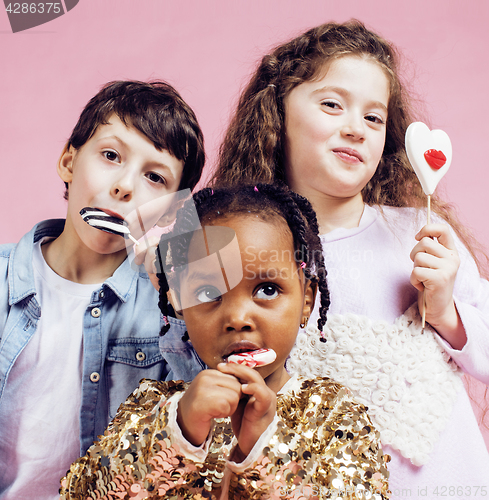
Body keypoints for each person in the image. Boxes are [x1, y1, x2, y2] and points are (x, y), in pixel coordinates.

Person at [206, 21, 489, 494]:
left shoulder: (420, 234)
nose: (355, 129)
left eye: (374, 118)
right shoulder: (226, 245)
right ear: (277, 112)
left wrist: (446, 313)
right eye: (332, 104)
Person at [60, 183, 390, 499]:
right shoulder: (154, 405)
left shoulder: (332, 413)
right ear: (181, 307)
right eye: (207, 293)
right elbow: (83, 492)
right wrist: (180, 431)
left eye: (267, 289)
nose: (237, 318)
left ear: (306, 301)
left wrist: (263, 447)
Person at [0, 80, 205, 500]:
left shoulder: (169, 311)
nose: (125, 186)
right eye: (110, 156)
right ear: (68, 161)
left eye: (154, 177)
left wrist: (182, 293)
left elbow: (207, 431)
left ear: (171, 211)